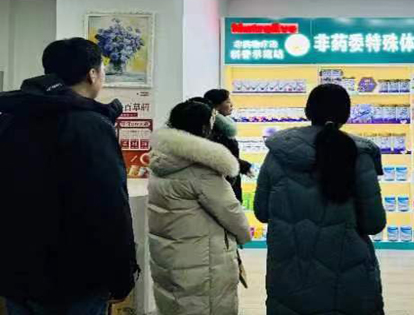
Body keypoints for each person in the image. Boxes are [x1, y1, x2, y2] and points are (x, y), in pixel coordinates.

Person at [0, 38, 138, 315]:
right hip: (75, 276)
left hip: (17, 272)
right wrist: (122, 274)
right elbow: (108, 207)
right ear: (92, 74)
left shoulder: (11, 117)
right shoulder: (89, 125)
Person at [254, 83, 386, 315]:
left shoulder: (278, 152)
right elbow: (374, 223)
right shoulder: (358, 154)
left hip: (289, 269)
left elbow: (262, 212)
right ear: (346, 114)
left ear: (308, 111)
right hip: (347, 271)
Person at [147, 100, 251, 315]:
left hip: (170, 253)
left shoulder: (161, 160)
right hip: (202, 258)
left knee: (175, 303)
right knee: (206, 305)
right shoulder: (201, 169)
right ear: (203, 128)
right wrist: (244, 235)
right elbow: (230, 212)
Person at [204, 89, 253, 200]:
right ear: (216, 106)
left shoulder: (222, 127)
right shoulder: (213, 129)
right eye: (227, 102)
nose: (231, 105)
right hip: (222, 183)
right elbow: (217, 155)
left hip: (229, 178)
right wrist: (241, 164)